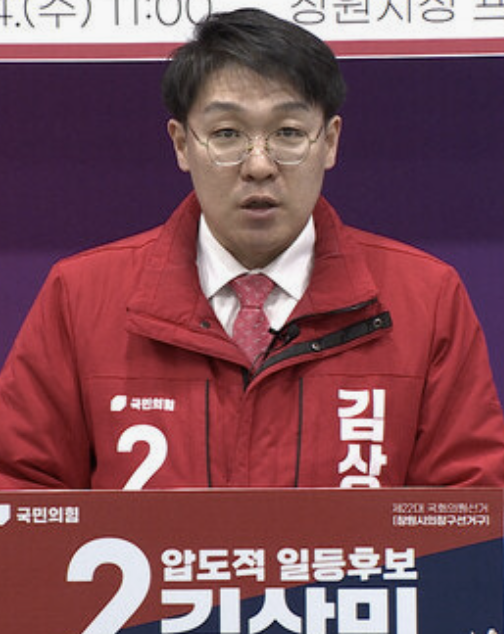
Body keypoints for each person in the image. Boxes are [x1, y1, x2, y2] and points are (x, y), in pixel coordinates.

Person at [0, 8, 503, 489]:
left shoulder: (425, 298)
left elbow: (469, 506)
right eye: (227, 134)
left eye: (288, 133)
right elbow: (18, 487)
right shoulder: (82, 295)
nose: (259, 165)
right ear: (181, 144)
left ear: (329, 142)